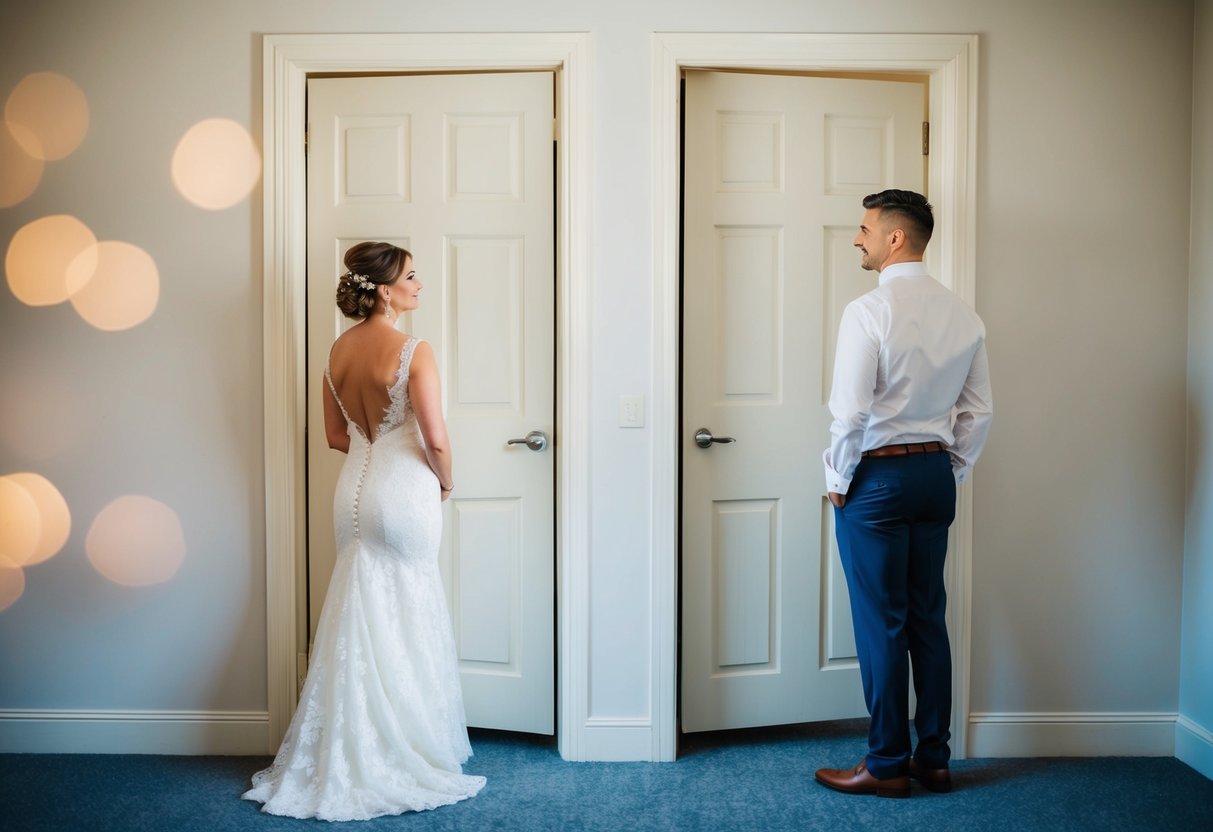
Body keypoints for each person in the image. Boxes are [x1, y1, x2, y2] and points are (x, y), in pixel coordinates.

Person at [243, 242, 485, 820]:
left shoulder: (336, 352)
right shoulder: (413, 350)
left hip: (351, 492)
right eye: (412, 277)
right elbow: (437, 438)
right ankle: (402, 751)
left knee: (358, 610)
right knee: (408, 611)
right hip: (401, 493)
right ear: (383, 289)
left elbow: (334, 435)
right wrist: (446, 483)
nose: (419, 285)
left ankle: (348, 748)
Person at [814, 191, 993, 798]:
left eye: (864, 229)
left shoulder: (868, 311)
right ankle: (934, 758)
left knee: (881, 623)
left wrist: (837, 481)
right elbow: (979, 412)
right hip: (933, 477)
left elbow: (851, 413)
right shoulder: (964, 315)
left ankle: (886, 763)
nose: (857, 239)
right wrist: (953, 470)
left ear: (895, 238)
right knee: (926, 620)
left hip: (878, 480)